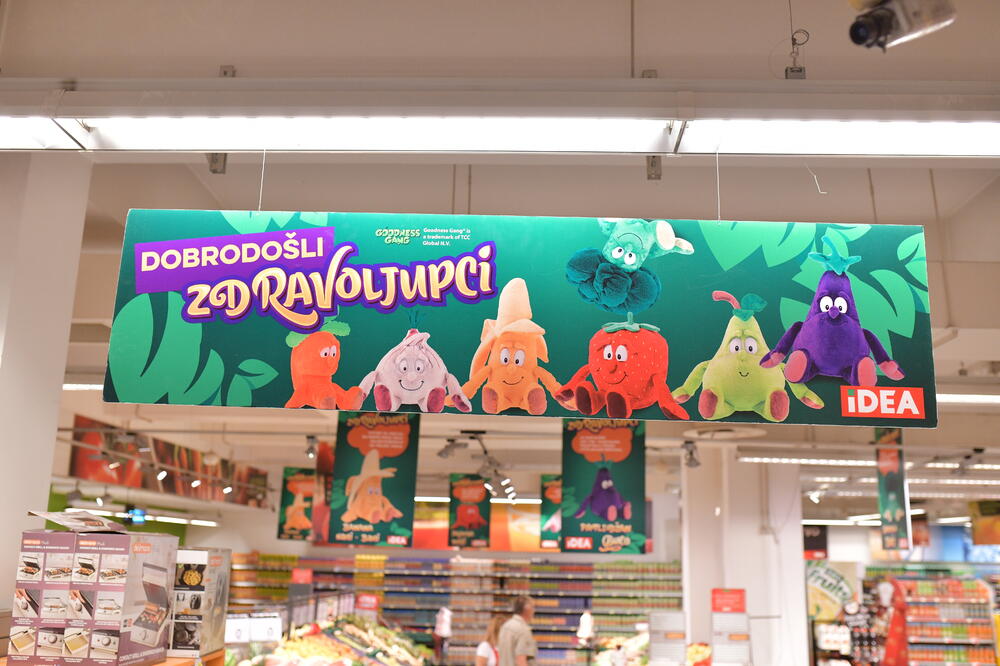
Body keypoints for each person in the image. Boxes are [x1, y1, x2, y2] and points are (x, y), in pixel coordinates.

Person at [497, 596, 536, 666]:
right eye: (533, 607)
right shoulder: (523, 630)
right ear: (527, 609)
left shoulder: (505, 627)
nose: (534, 611)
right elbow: (521, 660)